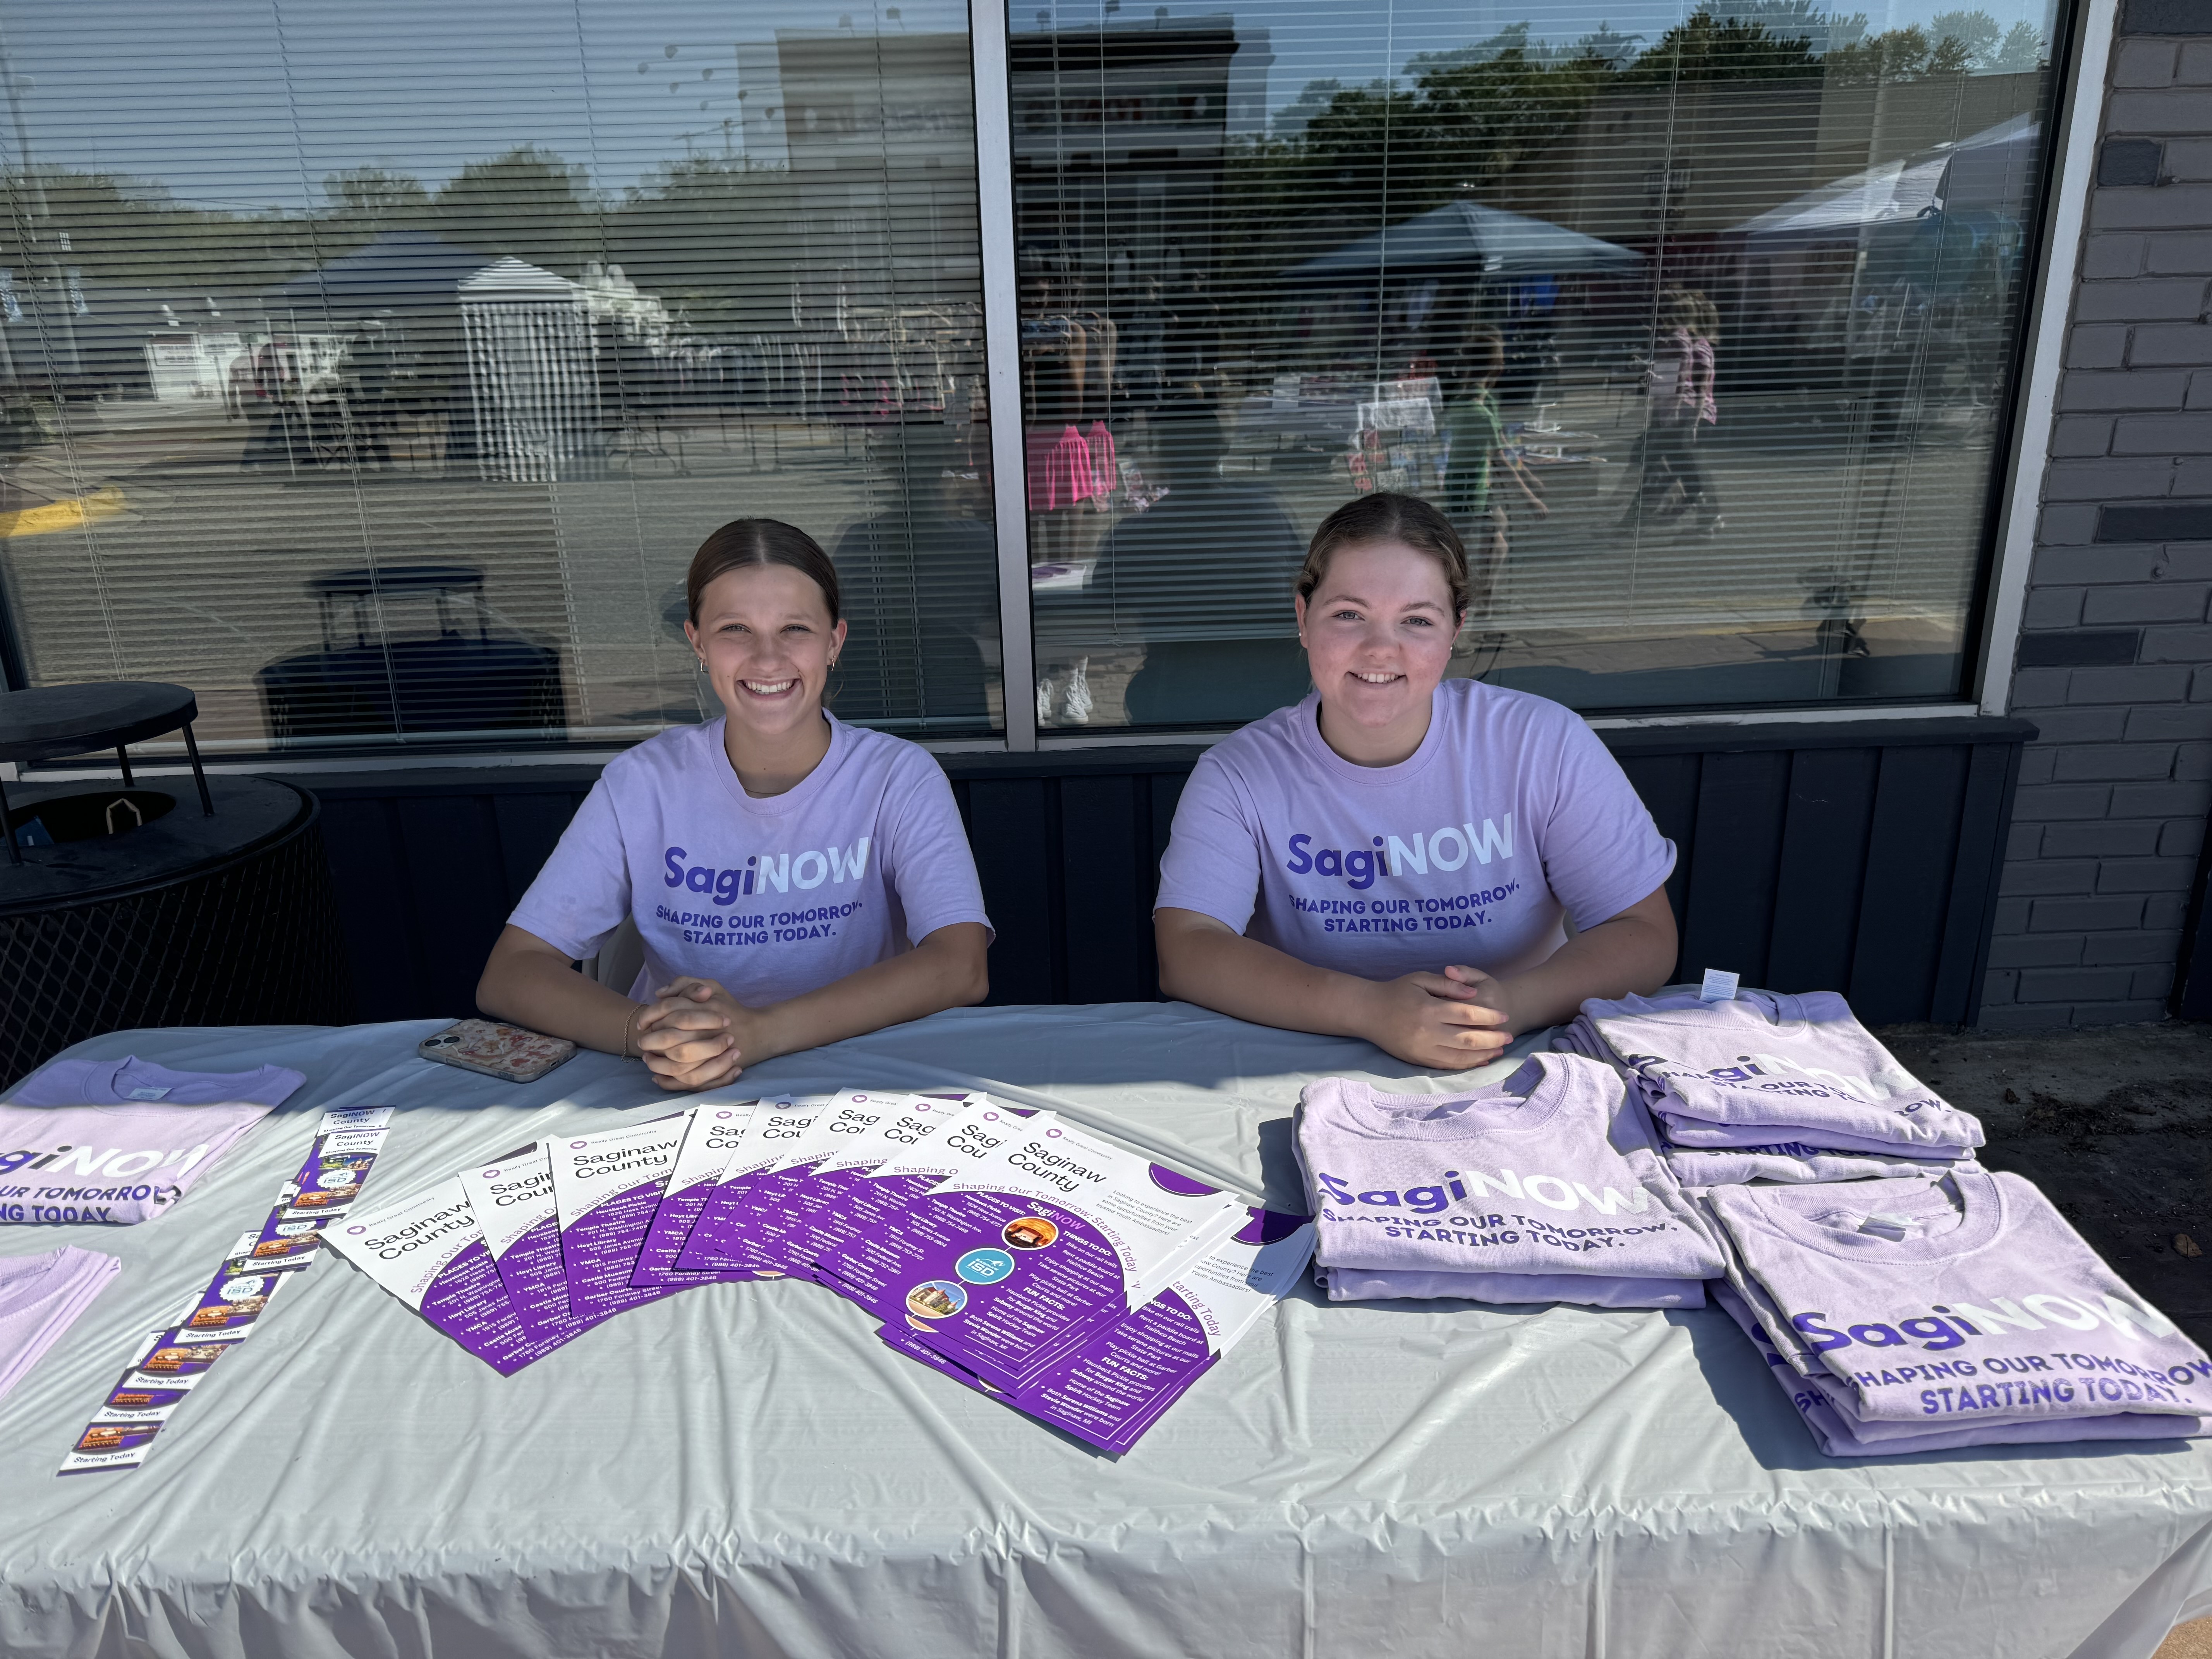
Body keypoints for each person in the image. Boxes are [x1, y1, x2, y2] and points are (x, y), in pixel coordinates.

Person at [1152, 493, 1678, 1072]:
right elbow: (1188, 948)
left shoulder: (1543, 743)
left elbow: (1643, 932)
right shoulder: (1236, 774)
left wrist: (1508, 1006)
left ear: (1456, 629)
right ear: (1304, 619)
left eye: (1418, 621)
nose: (1381, 649)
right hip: (1300, 1068)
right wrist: (1371, 1010)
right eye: (1349, 614)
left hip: (1520, 1058)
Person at [477, 518, 993, 1090]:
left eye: (795, 628)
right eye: (736, 629)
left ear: (834, 642)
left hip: (860, 1082)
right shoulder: (642, 783)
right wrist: (649, 1033)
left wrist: (759, 1034)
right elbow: (512, 972)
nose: (767, 659)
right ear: (698, 642)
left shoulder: (898, 776)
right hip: (679, 1088)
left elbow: (960, 965)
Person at [1440, 326, 1546, 611]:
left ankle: (1486, 592)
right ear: (1497, 369)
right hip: (1471, 491)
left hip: (1469, 486)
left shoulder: (1469, 404)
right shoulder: (1481, 412)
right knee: (1469, 547)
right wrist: (1530, 497)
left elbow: (1499, 449)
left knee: (1496, 535)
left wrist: (1528, 475)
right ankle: (1473, 599)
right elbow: (1499, 458)